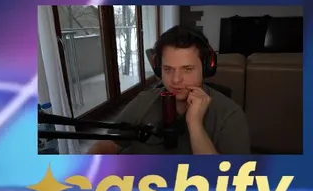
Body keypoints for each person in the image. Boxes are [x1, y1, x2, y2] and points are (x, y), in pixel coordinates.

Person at [90, 25, 249, 155]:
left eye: (187, 69)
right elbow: (104, 146)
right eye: (168, 69)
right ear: (158, 68)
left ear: (207, 68)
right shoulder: (143, 102)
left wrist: (195, 125)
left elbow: (229, 180)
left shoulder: (230, 115)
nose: (176, 80)